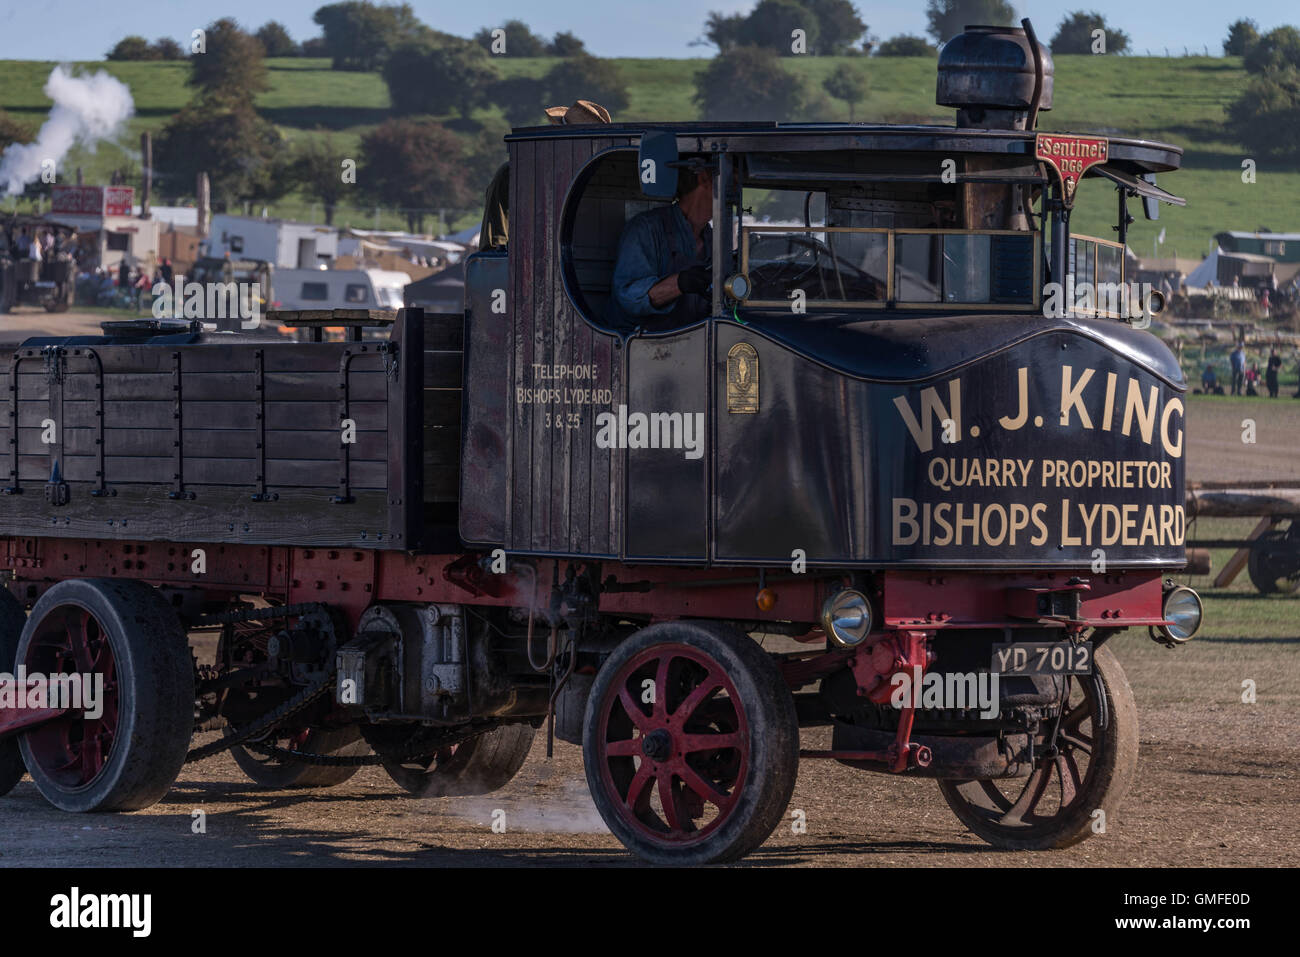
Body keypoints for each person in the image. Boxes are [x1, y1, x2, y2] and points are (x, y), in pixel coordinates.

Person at [606, 162, 714, 334]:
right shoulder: (646, 229)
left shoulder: (713, 240)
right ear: (704, 178)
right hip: (642, 348)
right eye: (733, 181)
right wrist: (680, 283)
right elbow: (629, 297)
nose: (735, 192)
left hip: (695, 345)